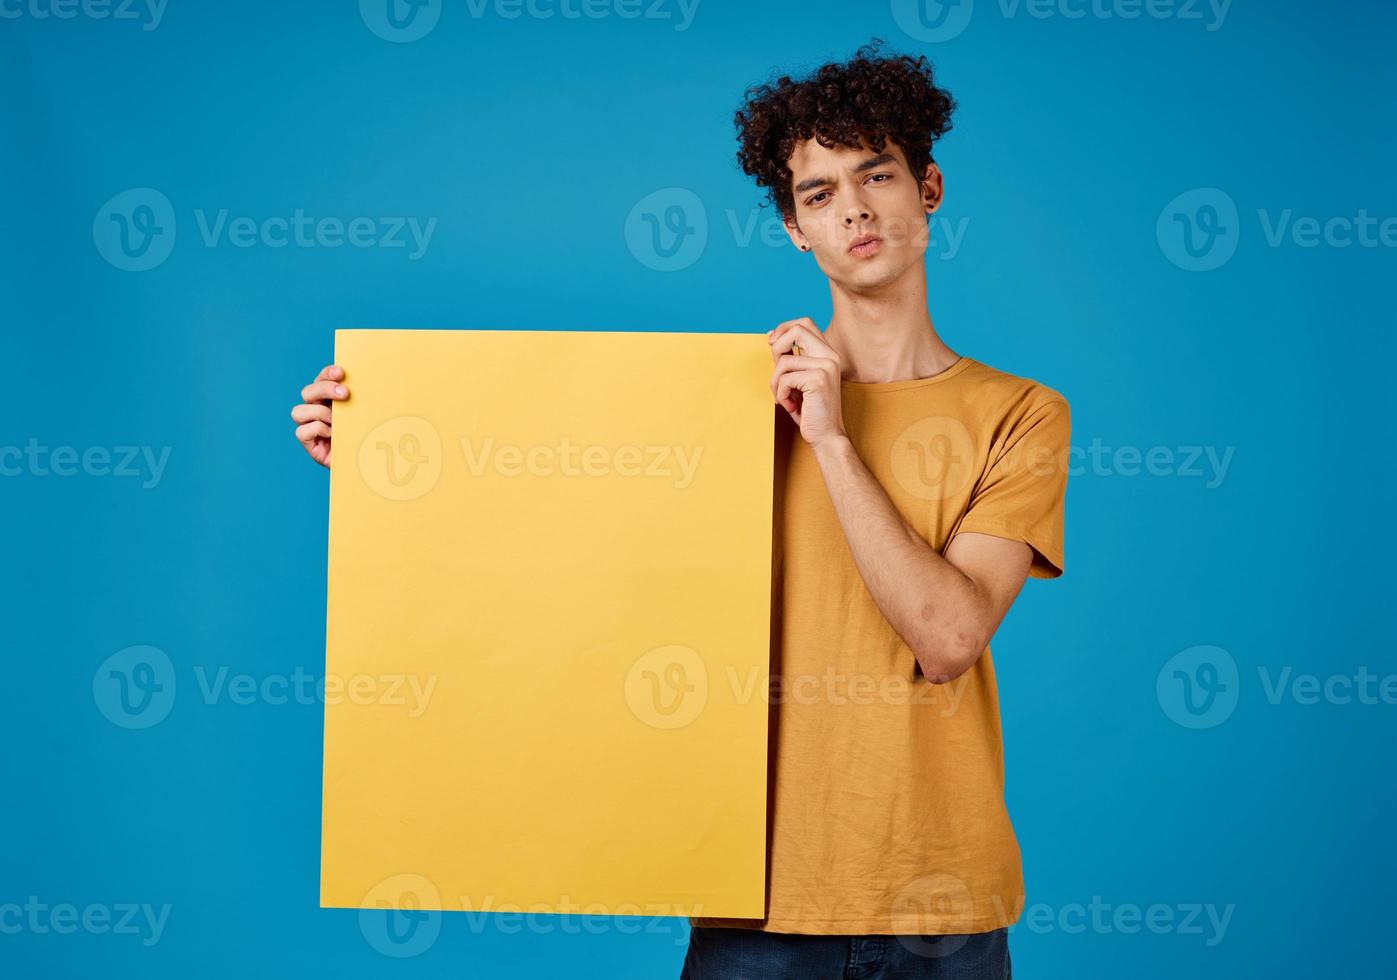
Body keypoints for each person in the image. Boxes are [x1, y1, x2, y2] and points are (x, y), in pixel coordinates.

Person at [291, 40, 1069, 980]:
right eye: (818, 193)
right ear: (794, 229)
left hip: (939, 903)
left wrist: (831, 440)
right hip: (751, 899)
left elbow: (947, 638)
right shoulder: (723, 404)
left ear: (928, 188)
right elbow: (561, 553)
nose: (855, 208)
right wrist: (390, 460)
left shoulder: (1020, 413)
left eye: (878, 174)